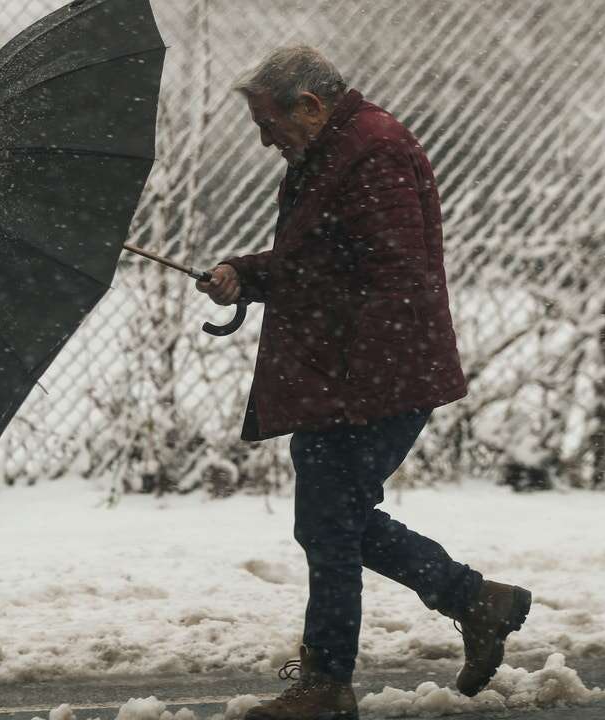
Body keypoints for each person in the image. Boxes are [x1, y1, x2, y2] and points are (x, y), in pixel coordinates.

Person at [194, 46, 532, 719]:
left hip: (374, 378)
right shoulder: (332, 150)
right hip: (348, 376)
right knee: (334, 522)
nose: (264, 140)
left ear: (311, 106)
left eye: (269, 124)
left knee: (329, 523)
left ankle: (327, 684)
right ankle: (475, 601)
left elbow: (393, 273)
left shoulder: (372, 152)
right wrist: (246, 274)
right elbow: (319, 258)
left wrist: (286, 293)